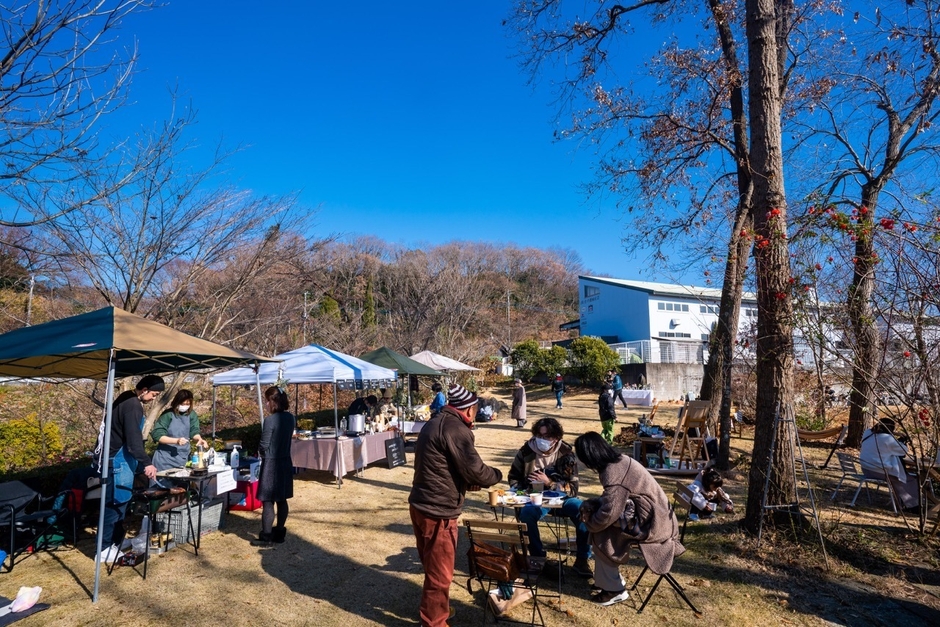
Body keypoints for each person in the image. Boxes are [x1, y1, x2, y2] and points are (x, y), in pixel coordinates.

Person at [409, 383, 503, 627]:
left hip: (421, 503)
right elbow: (476, 469)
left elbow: (441, 466)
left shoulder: (436, 421)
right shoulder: (455, 429)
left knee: (433, 567)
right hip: (437, 510)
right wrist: (496, 475)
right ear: (470, 410)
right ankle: (434, 622)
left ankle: (437, 610)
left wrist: (463, 482)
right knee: (440, 573)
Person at [574, 432, 685, 607]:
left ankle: (614, 590)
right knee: (601, 528)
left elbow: (609, 512)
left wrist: (590, 523)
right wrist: (592, 506)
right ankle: (610, 580)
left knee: (602, 535)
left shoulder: (613, 472)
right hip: (655, 516)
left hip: (655, 524)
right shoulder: (619, 460)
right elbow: (612, 501)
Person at [507, 418, 592, 576]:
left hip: (562, 498)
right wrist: (521, 492)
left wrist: (550, 482)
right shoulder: (526, 451)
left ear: (556, 438)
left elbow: (572, 489)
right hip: (533, 498)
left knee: (583, 510)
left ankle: (582, 560)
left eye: (547, 437)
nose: (542, 440)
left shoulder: (566, 453)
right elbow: (513, 477)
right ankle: (537, 558)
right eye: (539, 436)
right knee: (527, 514)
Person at [92, 374, 163, 563]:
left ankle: (115, 542)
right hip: (116, 461)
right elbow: (133, 441)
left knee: (120, 506)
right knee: (114, 506)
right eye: (153, 394)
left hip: (120, 460)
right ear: (144, 389)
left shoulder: (126, 398)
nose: (153, 398)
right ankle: (104, 548)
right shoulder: (132, 405)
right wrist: (147, 462)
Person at [251, 386, 296, 546]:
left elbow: (263, 444)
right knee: (282, 499)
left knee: (268, 501)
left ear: (273, 401)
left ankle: (266, 536)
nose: (266, 404)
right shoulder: (291, 418)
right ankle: (280, 533)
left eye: (268, 401)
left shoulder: (270, 420)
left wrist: (262, 452)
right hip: (285, 461)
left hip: (271, 462)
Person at [860, 417, 918, 510]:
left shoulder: (867, 433)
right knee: (908, 479)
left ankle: (900, 502)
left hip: (866, 469)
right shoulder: (888, 439)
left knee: (898, 476)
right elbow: (903, 451)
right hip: (879, 471)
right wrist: (902, 439)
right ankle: (912, 505)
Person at [150, 389, 207, 472]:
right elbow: (157, 435)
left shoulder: (191, 414)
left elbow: (194, 431)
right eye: (182, 404)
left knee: (181, 484)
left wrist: (199, 439)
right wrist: (176, 441)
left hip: (182, 458)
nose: (184, 406)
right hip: (165, 460)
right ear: (177, 402)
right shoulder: (168, 414)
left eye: (187, 404)